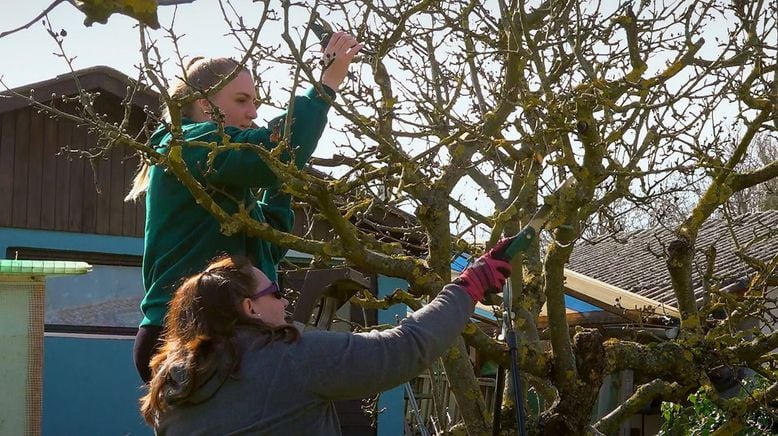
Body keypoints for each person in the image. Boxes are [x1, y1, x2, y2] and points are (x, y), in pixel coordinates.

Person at [127, 32, 363, 383]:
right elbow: (275, 151)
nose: (253, 113)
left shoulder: (224, 180)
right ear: (206, 105)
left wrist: (282, 183)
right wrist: (325, 84)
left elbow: (272, 242)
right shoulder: (189, 144)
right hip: (188, 331)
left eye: (255, 102)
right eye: (242, 100)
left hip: (221, 328)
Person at [139, 241, 512, 435]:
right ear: (250, 308)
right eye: (275, 291)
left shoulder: (171, 386)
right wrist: (470, 283)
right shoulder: (288, 358)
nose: (285, 299)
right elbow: (406, 347)